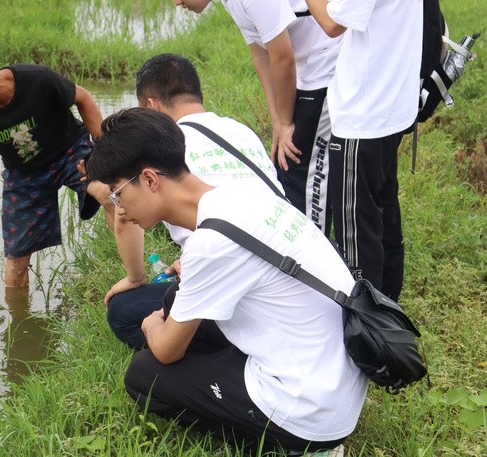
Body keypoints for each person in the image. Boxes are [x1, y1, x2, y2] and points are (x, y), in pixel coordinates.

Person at [85, 108, 367, 455]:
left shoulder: (212, 241)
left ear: (149, 179)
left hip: (310, 412)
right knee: (175, 303)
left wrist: (151, 325)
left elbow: (167, 350)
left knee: (145, 375)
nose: (120, 209)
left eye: (118, 193)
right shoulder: (241, 197)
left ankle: (297, 448)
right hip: (340, 380)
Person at [275, 0, 423, 302]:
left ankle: (369, 338)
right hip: (392, 109)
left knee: (358, 235)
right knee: (383, 218)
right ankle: (389, 315)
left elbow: (334, 24)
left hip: (362, 117)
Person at [149, 0, 342, 235]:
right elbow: (261, 56)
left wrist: (287, 123)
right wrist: (278, 121)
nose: (177, 1)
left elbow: (282, 57)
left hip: (330, 70)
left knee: (303, 174)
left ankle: (310, 254)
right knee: (289, 166)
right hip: (313, 74)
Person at [0, 36, 141, 288]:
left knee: (110, 194)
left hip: (69, 150)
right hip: (24, 173)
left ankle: (133, 276)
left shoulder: (37, 79)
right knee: (15, 264)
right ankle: (19, 323)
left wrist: (103, 150)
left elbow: (84, 98)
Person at [105, 53, 281, 349]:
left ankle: (221, 351)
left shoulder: (160, 147)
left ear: (151, 107)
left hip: (244, 289)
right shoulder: (241, 132)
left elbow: (123, 214)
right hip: (281, 262)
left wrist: (135, 278)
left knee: (123, 311)